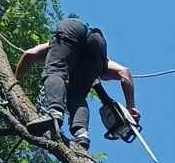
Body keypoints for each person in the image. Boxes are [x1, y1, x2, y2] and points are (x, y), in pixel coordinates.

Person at [14, 16, 138, 151]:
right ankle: (81, 134)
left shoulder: (58, 49)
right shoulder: (103, 65)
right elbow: (125, 73)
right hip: (98, 43)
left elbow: (30, 54)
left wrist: (16, 83)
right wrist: (131, 107)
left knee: (55, 71)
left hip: (73, 29)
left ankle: (55, 112)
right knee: (77, 96)